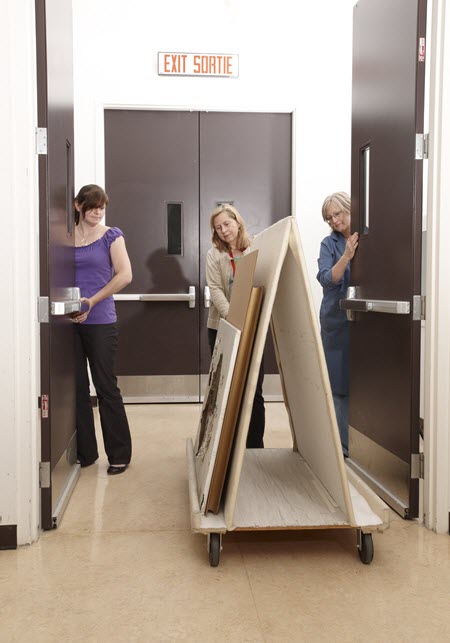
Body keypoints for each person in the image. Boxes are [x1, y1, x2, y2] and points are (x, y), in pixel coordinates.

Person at [72, 184, 133, 475]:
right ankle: (86, 453)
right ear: (78, 206)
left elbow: (125, 275)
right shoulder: (64, 237)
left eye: (102, 207)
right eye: (92, 206)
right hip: (67, 324)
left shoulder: (111, 235)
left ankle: (119, 455)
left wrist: (91, 302)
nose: (98, 212)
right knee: (75, 389)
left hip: (100, 321)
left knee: (106, 387)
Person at [206, 203, 265, 448]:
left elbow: (264, 283)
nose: (223, 230)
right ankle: (225, 448)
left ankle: (253, 446)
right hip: (221, 327)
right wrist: (234, 317)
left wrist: (246, 321)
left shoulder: (257, 248)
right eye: (218, 228)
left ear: (237, 221)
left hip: (253, 327)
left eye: (227, 224)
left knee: (254, 390)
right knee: (225, 389)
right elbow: (215, 289)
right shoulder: (214, 254)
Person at [316, 191, 358, 458]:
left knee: (369, 382)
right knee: (339, 385)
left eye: (338, 213)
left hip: (368, 320)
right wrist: (346, 256)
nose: (334, 220)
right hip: (336, 321)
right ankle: (344, 449)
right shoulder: (328, 244)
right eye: (329, 217)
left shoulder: (368, 236)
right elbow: (326, 278)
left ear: (349, 209)